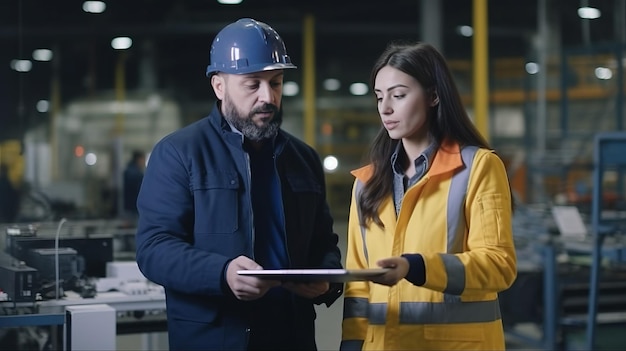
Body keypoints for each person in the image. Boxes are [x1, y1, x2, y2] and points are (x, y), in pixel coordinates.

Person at [135, 18, 343, 351]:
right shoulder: (179, 153)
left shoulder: (303, 159)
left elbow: (324, 243)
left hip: (292, 336)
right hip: (215, 337)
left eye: (276, 83)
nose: (268, 97)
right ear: (219, 86)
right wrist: (222, 273)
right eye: (253, 84)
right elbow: (154, 249)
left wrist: (326, 278)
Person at [340, 42, 517, 351]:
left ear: (434, 96)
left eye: (398, 95)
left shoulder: (478, 168)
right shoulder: (366, 184)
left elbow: (499, 265)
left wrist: (418, 267)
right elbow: (358, 286)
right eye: (379, 97)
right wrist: (352, 345)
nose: (385, 108)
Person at [122, 150, 145, 217]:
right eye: (143, 159)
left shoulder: (128, 171)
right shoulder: (136, 174)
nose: (144, 162)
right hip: (133, 209)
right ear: (139, 159)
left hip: (128, 207)